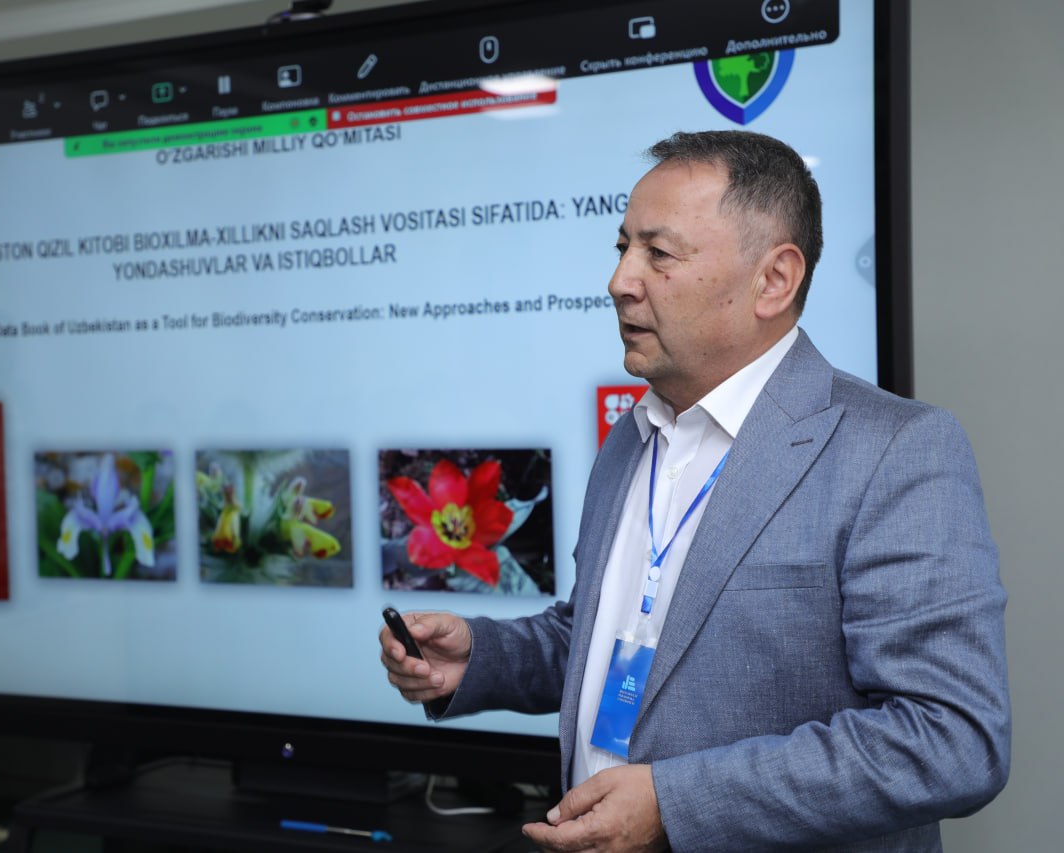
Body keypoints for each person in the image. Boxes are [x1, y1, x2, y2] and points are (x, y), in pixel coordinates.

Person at [379, 130, 1010, 852]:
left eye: (659, 253)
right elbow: (619, 634)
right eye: (623, 247)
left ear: (774, 279)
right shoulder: (633, 436)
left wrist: (676, 806)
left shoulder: (894, 450)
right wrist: (481, 659)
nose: (620, 280)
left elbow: (952, 739)